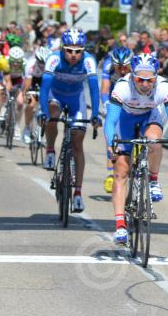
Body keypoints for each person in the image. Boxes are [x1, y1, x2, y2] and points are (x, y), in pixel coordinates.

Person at [104, 54, 168, 245]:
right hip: (125, 119)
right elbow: (111, 120)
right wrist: (110, 143)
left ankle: (154, 181)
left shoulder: (164, 87)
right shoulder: (123, 86)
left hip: (148, 117)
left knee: (154, 140)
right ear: (132, 76)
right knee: (121, 172)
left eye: (150, 80)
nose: (145, 84)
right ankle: (120, 226)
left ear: (156, 77)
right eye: (140, 79)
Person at [38, 28, 101, 213]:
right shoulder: (54, 59)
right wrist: (43, 111)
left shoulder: (88, 61)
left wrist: (95, 114)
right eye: (69, 50)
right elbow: (44, 88)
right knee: (53, 113)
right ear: (63, 49)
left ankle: (78, 193)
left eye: (78, 51)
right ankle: (50, 150)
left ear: (83, 51)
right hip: (56, 95)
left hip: (76, 99)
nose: (73, 55)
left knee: (77, 143)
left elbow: (94, 89)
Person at [99, 47, 134, 192]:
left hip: (133, 99)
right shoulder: (108, 66)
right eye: (119, 67)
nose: (122, 70)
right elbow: (105, 90)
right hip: (116, 97)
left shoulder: (136, 67)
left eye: (125, 67)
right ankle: (110, 173)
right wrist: (107, 105)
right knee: (111, 132)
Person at [22, 46, 50, 144]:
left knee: (48, 106)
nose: (42, 65)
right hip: (33, 81)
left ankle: (41, 131)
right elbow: (27, 85)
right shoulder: (31, 64)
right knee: (31, 104)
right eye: (40, 62)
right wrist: (26, 95)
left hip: (46, 81)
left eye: (44, 63)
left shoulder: (52, 66)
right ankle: (27, 128)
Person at [7, 46, 27, 139]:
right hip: (7, 79)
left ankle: (17, 126)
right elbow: (1, 76)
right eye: (13, 61)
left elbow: (26, 80)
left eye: (17, 61)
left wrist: (23, 91)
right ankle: (4, 107)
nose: (15, 64)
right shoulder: (5, 62)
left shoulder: (25, 64)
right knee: (4, 93)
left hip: (18, 80)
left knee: (20, 102)